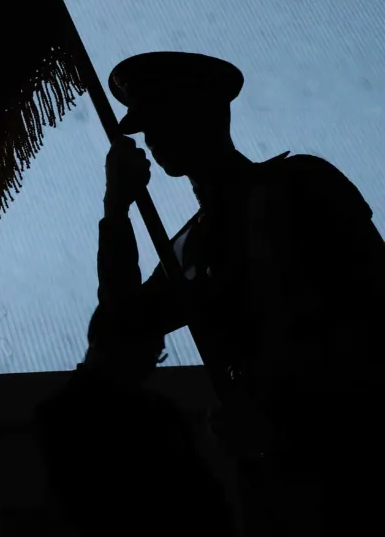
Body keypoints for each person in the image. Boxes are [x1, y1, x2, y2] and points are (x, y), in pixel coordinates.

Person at [98, 51, 385, 535]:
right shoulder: (188, 248)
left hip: (355, 458)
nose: (152, 139)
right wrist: (117, 211)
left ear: (208, 115)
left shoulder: (301, 185)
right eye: (147, 125)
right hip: (274, 479)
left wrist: (288, 413)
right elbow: (122, 329)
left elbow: (376, 308)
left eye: (165, 119)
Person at [35, 302, 236, 536]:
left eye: (156, 355)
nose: (152, 367)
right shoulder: (160, 414)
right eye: (149, 354)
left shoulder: (56, 416)